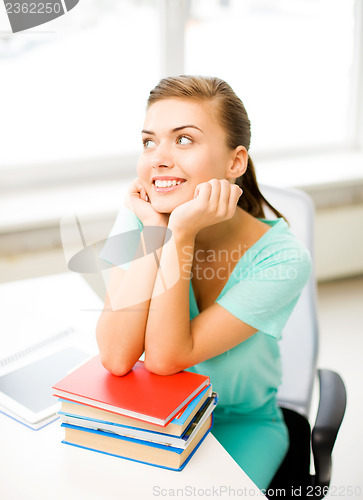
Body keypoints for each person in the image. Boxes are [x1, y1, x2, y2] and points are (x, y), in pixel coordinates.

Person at [96, 75, 312, 490]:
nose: (157, 158)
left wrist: (179, 235)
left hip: (237, 424)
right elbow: (116, 355)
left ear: (235, 162)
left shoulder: (283, 258)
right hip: (157, 416)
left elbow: (165, 357)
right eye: (148, 142)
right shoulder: (142, 217)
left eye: (183, 140)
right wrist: (155, 231)